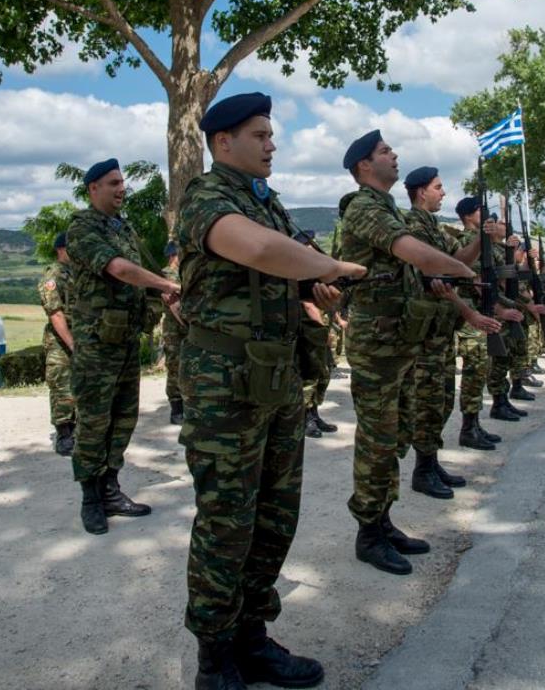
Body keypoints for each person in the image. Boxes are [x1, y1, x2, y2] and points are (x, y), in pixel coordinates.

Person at [177, 92, 365, 690]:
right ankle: (215, 656)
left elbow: (280, 271)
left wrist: (314, 292)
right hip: (224, 384)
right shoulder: (206, 195)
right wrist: (326, 266)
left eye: (270, 134)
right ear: (222, 142)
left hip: (277, 378)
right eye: (259, 134)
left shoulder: (270, 202)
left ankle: (253, 637)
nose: (271, 143)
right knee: (227, 519)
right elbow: (257, 249)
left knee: (274, 518)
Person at [339, 133, 483, 577]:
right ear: (364, 166)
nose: (394, 155)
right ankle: (368, 533)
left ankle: (383, 520)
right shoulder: (363, 206)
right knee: (378, 440)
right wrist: (460, 269)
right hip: (375, 344)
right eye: (384, 152)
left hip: (398, 340)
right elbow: (412, 252)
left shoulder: (385, 208)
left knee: (395, 435)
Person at [66, 158, 181, 536]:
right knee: (94, 421)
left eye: (122, 183)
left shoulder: (124, 227)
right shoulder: (82, 227)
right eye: (113, 183)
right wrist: (167, 286)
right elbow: (118, 269)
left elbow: (139, 273)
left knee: (123, 419)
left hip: (126, 341)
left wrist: (160, 293)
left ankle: (111, 488)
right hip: (97, 344)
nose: (121, 189)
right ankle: (90, 498)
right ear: (93, 189)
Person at [402, 167, 502, 497]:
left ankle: (430, 462)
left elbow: (458, 259)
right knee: (428, 402)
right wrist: (471, 313)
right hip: (426, 331)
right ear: (421, 193)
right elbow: (438, 276)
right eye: (438, 187)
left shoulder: (432, 226)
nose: (443, 193)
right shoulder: (413, 226)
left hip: (441, 330)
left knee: (442, 400)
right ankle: (422, 468)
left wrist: (482, 238)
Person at [453, 197, 525, 449]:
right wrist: (500, 310)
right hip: (470, 313)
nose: (485, 214)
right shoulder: (465, 242)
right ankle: (468, 428)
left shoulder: (486, 243)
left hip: (485, 310)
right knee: (475, 371)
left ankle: (475, 424)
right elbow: (475, 282)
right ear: (466, 217)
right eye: (479, 211)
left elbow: (495, 280)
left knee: (483, 367)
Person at [38, 232, 76, 456]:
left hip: (81, 335)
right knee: (62, 386)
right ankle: (64, 434)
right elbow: (56, 313)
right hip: (60, 340)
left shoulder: (78, 273)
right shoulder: (53, 277)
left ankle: (79, 430)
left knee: (81, 385)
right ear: (61, 249)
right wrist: (71, 343)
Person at [301, 299, 338, 439]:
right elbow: (308, 304)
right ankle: (306, 419)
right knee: (310, 376)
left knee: (323, 374)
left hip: (319, 331)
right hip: (311, 331)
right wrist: (322, 329)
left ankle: (314, 415)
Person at [160, 240, 186, 424]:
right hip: (175, 331)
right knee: (175, 366)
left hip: (185, 328)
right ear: (173, 255)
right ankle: (176, 409)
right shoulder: (167, 274)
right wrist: (187, 324)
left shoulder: (183, 273)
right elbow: (172, 302)